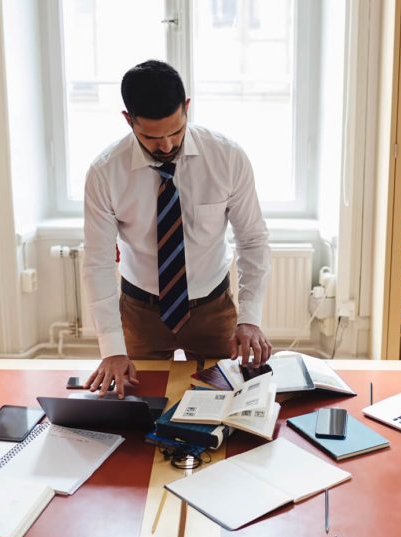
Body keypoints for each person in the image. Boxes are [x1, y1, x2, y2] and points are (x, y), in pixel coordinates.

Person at [82, 60, 272, 397]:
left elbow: (252, 240)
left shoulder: (227, 158)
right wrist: (112, 348)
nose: (167, 146)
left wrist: (250, 317)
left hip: (213, 309)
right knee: (139, 410)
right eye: (152, 137)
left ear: (186, 108)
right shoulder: (105, 173)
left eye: (176, 131)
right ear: (129, 120)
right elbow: (97, 262)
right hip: (140, 312)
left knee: (227, 404)